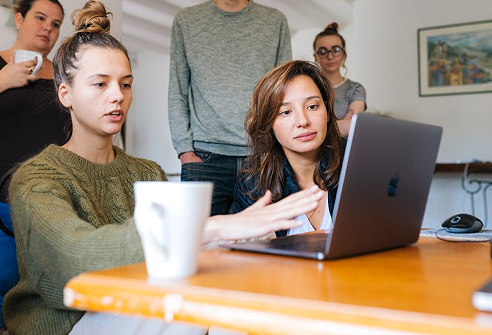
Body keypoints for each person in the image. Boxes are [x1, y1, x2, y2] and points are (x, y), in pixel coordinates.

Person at [3, 2, 323, 334]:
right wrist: (208, 228)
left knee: (235, 299)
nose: (118, 96)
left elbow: (170, 264)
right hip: (68, 323)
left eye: (125, 84)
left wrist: (248, 236)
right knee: (191, 310)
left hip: (140, 302)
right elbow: (77, 259)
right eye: (100, 84)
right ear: (65, 94)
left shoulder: (147, 172)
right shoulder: (33, 179)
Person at [168, 0, 292, 215]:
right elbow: (176, 89)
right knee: (198, 245)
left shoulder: (275, 21)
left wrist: (278, 149)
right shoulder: (186, 20)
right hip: (203, 158)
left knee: (258, 244)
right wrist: (184, 150)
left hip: (261, 156)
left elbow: (284, 93)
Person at [0, 0, 68, 332]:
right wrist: (3, 80)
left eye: (55, 24)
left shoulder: (63, 76)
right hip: (2, 208)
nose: (48, 29)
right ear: (18, 18)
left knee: (48, 298)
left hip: (51, 206)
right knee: (3, 292)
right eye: (40, 18)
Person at [233, 60, 344, 237]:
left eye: (312, 106)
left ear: (328, 112)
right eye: (285, 112)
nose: (303, 121)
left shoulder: (356, 162)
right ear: (268, 124)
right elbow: (247, 259)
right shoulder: (252, 185)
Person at [313, 22, 366, 137]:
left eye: (335, 50)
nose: (330, 56)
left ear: (343, 53)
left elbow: (351, 127)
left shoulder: (356, 89)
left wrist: (316, 129)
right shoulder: (309, 88)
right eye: (322, 51)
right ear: (315, 57)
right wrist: (339, 125)